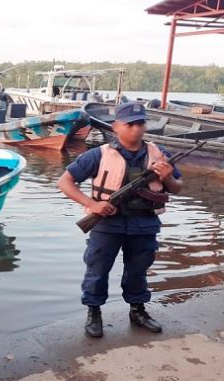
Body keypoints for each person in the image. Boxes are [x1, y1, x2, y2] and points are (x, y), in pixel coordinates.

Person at [57, 103, 183, 338]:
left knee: (138, 270)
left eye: (141, 123)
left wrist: (168, 178)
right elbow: (64, 182)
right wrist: (91, 204)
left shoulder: (159, 153)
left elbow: (177, 187)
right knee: (97, 269)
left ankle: (138, 311)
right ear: (116, 127)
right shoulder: (99, 154)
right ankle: (94, 312)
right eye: (130, 124)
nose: (137, 129)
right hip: (106, 224)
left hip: (144, 223)